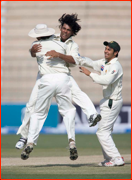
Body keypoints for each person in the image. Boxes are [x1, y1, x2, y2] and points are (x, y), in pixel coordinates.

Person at [16, 14, 101, 151]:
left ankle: (92, 114)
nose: (65, 32)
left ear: (73, 33)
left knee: (77, 92)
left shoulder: (73, 45)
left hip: (63, 74)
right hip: (43, 76)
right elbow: (36, 47)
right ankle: (24, 137)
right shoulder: (51, 36)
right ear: (60, 27)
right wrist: (31, 51)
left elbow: (74, 60)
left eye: (69, 30)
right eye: (64, 28)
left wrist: (59, 54)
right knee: (31, 105)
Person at [20, 24, 78, 160]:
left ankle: (30, 143)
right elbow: (71, 59)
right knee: (68, 111)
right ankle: (72, 142)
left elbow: (33, 53)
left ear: (38, 36)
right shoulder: (60, 44)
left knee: (38, 113)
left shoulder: (36, 44)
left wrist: (32, 51)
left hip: (46, 80)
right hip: (63, 79)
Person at [79, 41, 125, 167]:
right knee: (105, 131)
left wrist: (90, 74)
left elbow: (107, 80)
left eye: (109, 49)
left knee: (102, 132)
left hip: (112, 101)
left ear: (115, 53)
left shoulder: (116, 66)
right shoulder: (104, 63)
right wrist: (77, 57)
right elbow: (91, 63)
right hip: (107, 101)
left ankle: (116, 158)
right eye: (105, 48)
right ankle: (109, 158)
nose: (106, 51)